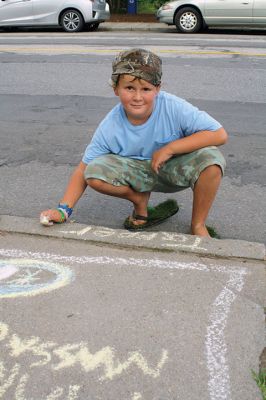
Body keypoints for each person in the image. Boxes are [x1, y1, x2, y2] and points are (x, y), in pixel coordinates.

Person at [40, 48, 228, 237]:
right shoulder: (110, 125)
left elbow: (219, 134)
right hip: (136, 174)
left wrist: (171, 148)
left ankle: (198, 224)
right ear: (116, 88)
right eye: (129, 88)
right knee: (94, 171)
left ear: (157, 89)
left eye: (146, 89)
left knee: (212, 160)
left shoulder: (174, 107)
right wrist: (63, 210)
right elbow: (83, 170)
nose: (137, 97)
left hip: (170, 169)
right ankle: (139, 200)